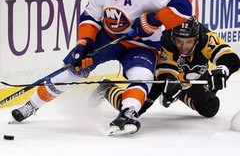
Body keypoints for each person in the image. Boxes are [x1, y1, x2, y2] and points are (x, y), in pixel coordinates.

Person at [10, 0, 192, 136]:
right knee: (72, 69)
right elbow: (90, 17)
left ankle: (128, 112)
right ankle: (32, 105)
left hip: (141, 43)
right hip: (108, 38)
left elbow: (184, 7)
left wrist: (153, 20)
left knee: (142, 74)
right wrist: (83, 44)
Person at [91, 16, 240, 121]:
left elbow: (230, 58)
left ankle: (179, 94)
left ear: (196, 37)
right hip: (163, 79)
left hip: (187, 80)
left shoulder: (206, 37)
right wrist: (170, 85)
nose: (184, 46)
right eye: (179, 41)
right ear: (173, 37)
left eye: (189, 41)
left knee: (210, 108)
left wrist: (223, 70)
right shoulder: (166, 40)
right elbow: (165, 71)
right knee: (136, 109)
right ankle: (108, 88)